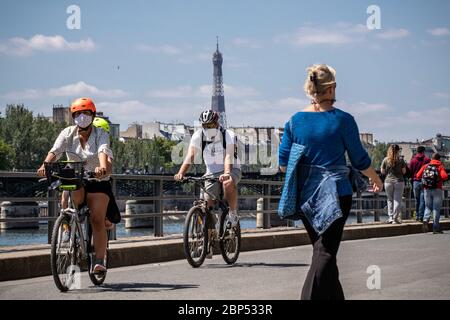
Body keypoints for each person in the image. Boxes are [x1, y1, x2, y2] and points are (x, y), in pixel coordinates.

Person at [278, 64, 383, 300]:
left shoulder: (294, 121)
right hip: (337, 193)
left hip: (306, 196)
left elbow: (283, 164)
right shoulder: (343, 120)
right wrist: (375, 178)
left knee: (323, 250)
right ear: (332, 87)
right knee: (325, 252)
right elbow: (359, 159)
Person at [37, 98, 114, 273]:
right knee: (67, 195)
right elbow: (55, 151)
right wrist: (45, 165)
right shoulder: (67, 133)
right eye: (78, 114)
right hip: (76, 177)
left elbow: (103, 151)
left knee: (96, 218)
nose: (82, 117)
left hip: (97, 180)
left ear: (93, 115)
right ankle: (67, 225)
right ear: (73, 117)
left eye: (86, 113)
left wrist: (102, 168)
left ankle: (100, 260)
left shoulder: (101, 134)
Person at [174, 110, 241, 258]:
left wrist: (227, 172)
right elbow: (190, 155)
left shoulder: (228, 135)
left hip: (231, 169)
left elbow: (229, 155)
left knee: (228, 183)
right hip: (210, 173)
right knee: (206, 205)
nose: (208, 127)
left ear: (217, 124)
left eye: (210, 124)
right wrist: (181, 173)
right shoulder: (199, 135)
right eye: (205, 125)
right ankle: (207, 243)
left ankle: (233, 214)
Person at [416, 153, 448, 234]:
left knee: (428, 207)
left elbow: (418, 175)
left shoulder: (426, 166)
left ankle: (425, 221)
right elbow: (444, 176)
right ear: (439, 159)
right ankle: (435, 228)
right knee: (436, 209)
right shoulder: (440, 166)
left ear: (431, 158)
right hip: (437, 189)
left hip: (426, 189)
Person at [381, 144, 407, 224]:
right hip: (399, 181)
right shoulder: (400, 160)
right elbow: (404, 171)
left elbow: (382, 171)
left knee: (390, 200)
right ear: (398, 150)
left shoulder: (385, 160)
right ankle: (395, 218)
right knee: (397, 200)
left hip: (388, 182)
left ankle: (390, 218)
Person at [408, 146, 430, 222]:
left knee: (417, 200)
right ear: (423, 151)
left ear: (417, 151)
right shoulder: (427, 160)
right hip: (425, 181)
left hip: (415, 182)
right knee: (423, 200)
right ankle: (421, 216)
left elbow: (410, 172)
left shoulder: (413, 160)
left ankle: (417, 216)